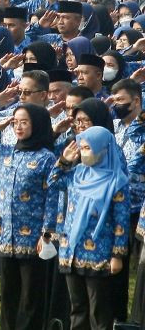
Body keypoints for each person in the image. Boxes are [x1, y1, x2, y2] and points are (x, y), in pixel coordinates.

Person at [0, 103, 57, 330]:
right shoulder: (5, 152)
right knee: (8, 294)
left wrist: (47, 233)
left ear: (38, 125)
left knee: (31, 295)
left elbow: (53, 198)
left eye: (24, 122)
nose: (18, 127)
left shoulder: (46, 158)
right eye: (15, 122)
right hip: (5, 235)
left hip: (33, 237)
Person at [51, 127, 129, 330]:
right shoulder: (76, 174)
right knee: (77, 308)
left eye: (88, 148)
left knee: (99, 311)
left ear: (103, 149)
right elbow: (52, 183)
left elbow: (121, 221)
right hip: (72, 250)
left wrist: (117, 254)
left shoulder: (116, 181)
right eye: (82, 148)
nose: (83, 152)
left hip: (99, 254)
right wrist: (64, 161)